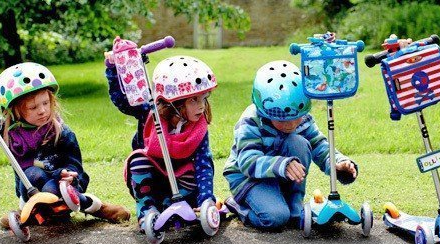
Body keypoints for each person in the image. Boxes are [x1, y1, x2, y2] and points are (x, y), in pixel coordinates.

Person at [0, 62, 130, 227]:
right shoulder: (8, 132)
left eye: (46, 103)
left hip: (62, 188)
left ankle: (96, 207)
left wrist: (71, 177)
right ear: (15, 110)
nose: (43, 111)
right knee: (32, 173)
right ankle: (30, 212)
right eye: (33, 107)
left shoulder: (62, 133)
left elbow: (76, 166)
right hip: (31, 189)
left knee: (56, 187)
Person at [223, 60, 358, 230]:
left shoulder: (301, 115)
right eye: (282, 120)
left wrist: (337, 163)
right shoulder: (251, 121)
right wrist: (282, 164)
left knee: (298, 142)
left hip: (280, 175)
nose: (291, 124)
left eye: (297, 117)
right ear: (264, 110)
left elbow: (319, 145)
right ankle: (239, 207)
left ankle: (295, 204)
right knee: (275, 218)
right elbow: (247, 162)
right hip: (249, 179)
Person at [105, 55, 218, 230]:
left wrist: (206, 199)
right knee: (138, 160)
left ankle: (175, 205)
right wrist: (113, 69)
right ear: (174, 102)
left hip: (183, 183)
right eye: (193, 100)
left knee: (195, 169)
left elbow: (204, 164)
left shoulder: (198, 128)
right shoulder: (150, 113)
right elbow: (123, 100)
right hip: (153, 179)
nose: (202, 106)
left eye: (204, 98)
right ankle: (148, 210)